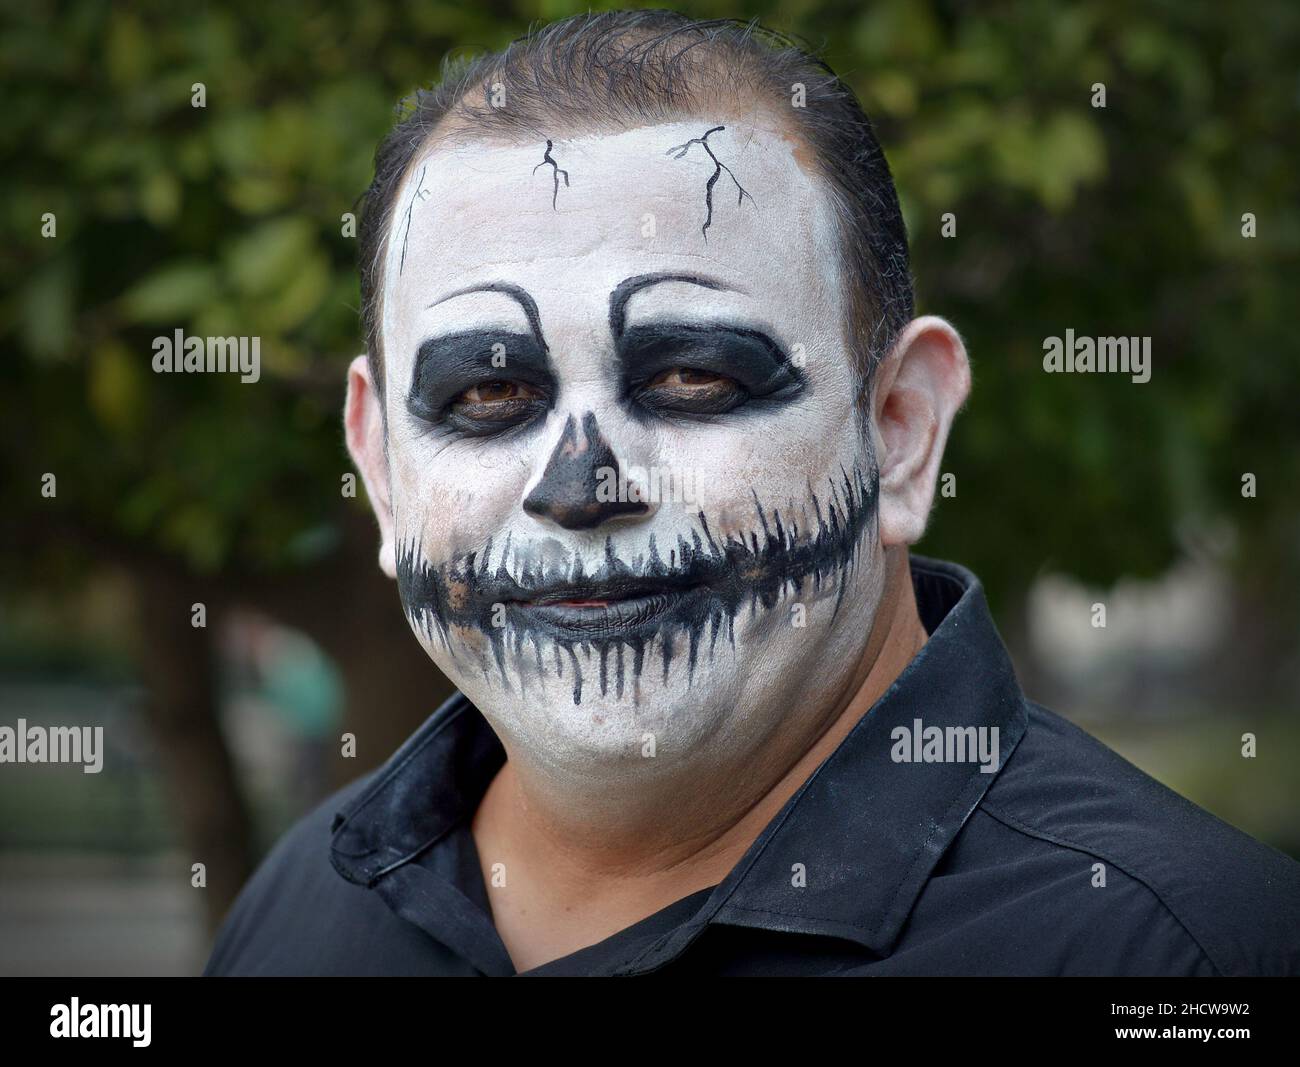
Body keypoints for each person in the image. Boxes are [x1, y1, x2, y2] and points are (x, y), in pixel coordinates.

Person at [204, 10, 1300, 976]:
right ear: (384, 467)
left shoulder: (1179, 952)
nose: (580, 487)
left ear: (902, 434)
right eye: (487, 391)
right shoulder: (308, 905)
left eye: (692, 377)